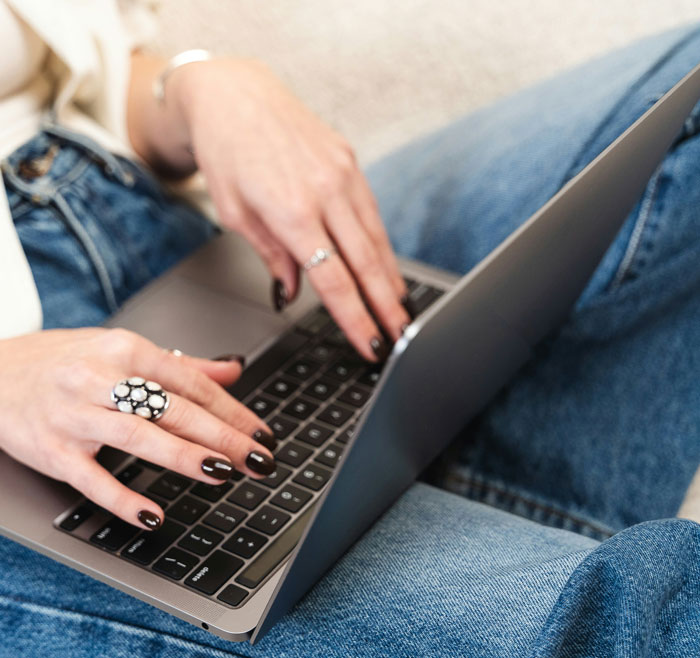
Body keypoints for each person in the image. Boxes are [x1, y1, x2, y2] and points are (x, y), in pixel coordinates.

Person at [0, 1, 698, 655]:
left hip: (162, 219)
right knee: (627, 632)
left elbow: (68, 73)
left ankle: (476, 492)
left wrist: (196, 92)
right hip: (25, 422)